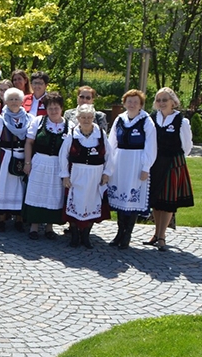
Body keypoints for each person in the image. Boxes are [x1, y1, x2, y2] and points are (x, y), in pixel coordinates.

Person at [105, 89, 157, 250]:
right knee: (120, 198)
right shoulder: (120, 119)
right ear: (124, 103)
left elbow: (151, 146)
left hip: (136, 162)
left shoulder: (146, 121)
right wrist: (109, 165)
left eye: (136, 101)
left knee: (131, 199)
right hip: (120, 162)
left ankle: (127, 234)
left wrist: (146, 167)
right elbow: (111, 142)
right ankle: (120, 232)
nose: (132, 104)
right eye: (129, 101)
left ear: (141, 104)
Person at [146, 87, 194, 252]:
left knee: (167, 201)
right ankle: (156, 233)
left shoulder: (181, 121)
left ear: (173, 102)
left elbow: (187, 146)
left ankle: (162, 236)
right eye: (158, 100)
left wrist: (175, 159)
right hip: (155, 162)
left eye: (165, 100)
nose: (161, 103)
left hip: (172, 163)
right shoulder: (152, 119)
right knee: (156, 200)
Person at [61, 104, 111, 248]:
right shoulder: (72, 133)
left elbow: (109, 156)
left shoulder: (100, 134)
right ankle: (75, 235)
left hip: (95, 176)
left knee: (91, 203)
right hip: (76, 174)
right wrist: (65, 175)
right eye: (83, 117)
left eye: (89, 117)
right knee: (75, 202)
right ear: (78, 118)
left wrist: (106, 174)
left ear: (93, 118)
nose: (86, 120)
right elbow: (63, 155)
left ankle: (86, 235)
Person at [21, 93, 68, 240]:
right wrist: (27, 163)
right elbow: (29, 143)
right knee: (36, 192)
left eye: (56, 108)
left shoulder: (69, 125)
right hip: (39, 162)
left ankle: (49, 227)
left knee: (53, 195)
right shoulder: (39, 121)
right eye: (50, 108)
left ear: (61, 108)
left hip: (57, 165)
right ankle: (34, 227)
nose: (53, 111)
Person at [0, 87, 30, 233]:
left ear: (22, 101)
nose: (14, 102)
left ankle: (19, 219)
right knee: (2, 186)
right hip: (4, 156)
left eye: (17, 99)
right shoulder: (0, 120)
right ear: (5, 101)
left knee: (20, 188)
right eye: (10, 99)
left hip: (23, 156)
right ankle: (1, 219)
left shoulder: (29, 119)